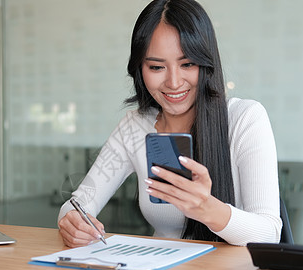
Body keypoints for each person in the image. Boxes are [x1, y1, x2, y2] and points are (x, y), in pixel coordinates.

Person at [58, 0, 281, 248]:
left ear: (207, 64)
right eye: (156, 67)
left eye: (187, 64)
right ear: (139, 70)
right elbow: (80, 202)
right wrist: (72, 221)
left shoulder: (245, 119)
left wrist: (207, 209)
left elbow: (269, 233)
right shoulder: (134, 127)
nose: (174, 82)